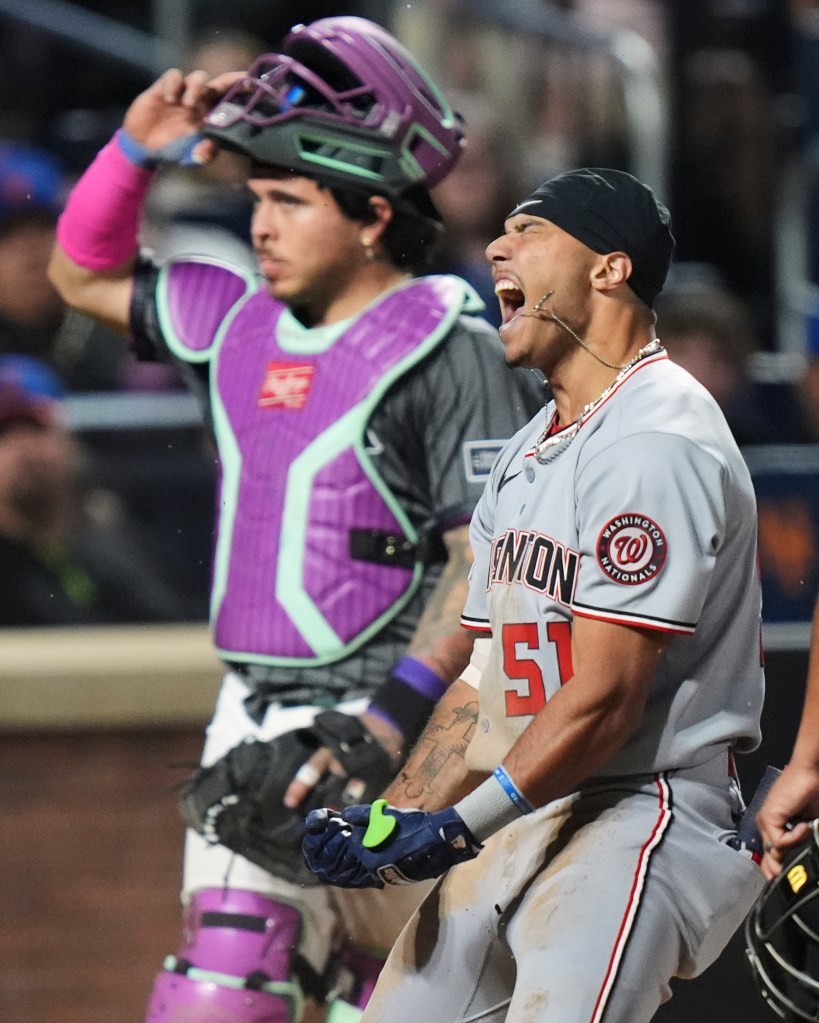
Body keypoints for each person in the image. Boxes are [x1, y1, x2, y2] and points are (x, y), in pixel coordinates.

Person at [47, 15, 544, 1023]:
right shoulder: (235, 321)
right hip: (260, 716)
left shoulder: (449, 348)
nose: (259, 224)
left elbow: (490, 564)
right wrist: (136, 149)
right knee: (221, 991)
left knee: (408, 1000)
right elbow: (81, 275)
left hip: (407, 722)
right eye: (255, 199)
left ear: (369, 215)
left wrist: (386, 721)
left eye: (287, 200)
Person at [303, 166, 768, 1023]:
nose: (494, 246)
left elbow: (604, 697)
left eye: (529, 230)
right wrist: (390, 819)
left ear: (608, 267)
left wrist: (454, 827)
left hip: (641, 804)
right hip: (521, 801)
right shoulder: (527, 450)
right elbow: (485, 678)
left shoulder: (655, 434)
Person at [0, 353, 196, 624]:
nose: (21, 448)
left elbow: (170, 621)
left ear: (68, 438)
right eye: (3, 435)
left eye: (35, 427)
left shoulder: (136, 524)